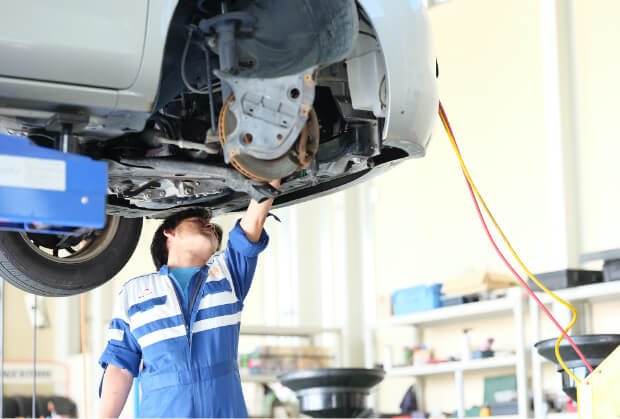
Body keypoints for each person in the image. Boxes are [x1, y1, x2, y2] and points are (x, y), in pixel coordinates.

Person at [98, 180, 280, 418]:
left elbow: (254, 219)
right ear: (169, 233)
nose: (211, 227)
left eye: (212, 226)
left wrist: (271, 167)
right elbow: (120, 366)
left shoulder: (228, 272)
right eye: (198, 222)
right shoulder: (133, 293)